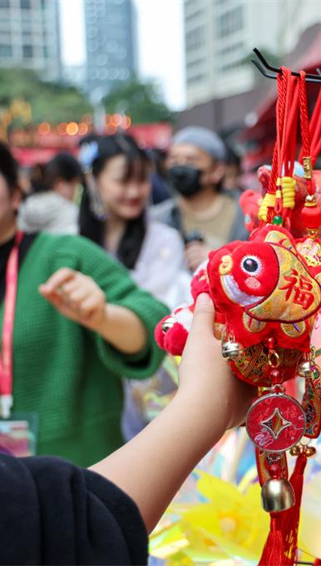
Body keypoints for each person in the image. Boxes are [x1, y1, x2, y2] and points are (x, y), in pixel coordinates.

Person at [0, 294, 256, 564]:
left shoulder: (66, 254)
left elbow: (147, 321)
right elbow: (48, 538)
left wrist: (104, 317)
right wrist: (207, 403)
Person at [0, 129, 169, 466]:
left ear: (16, 192)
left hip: (90, 488)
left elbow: (154, 328)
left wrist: (104, 317)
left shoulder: (67, 256)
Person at [78, 134, 191, 438]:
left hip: (149, 382)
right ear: (93, 180)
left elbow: (161, 312)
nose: (135, 191)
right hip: (89, 380)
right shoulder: (70, 243)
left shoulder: (163, 239)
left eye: (142, 181)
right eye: (123, 181)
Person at [153, 126, 247, 271]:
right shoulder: (157, 218)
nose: (180, 167)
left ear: (217, 171)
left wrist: (220, 262)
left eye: (191, 161)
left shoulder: (247, 215)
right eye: (174, 160)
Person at [18, 152, 81, 234]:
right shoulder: (69, 212)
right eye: (74, 186)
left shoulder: (25, 207)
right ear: (60, 184)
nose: (74, 193)